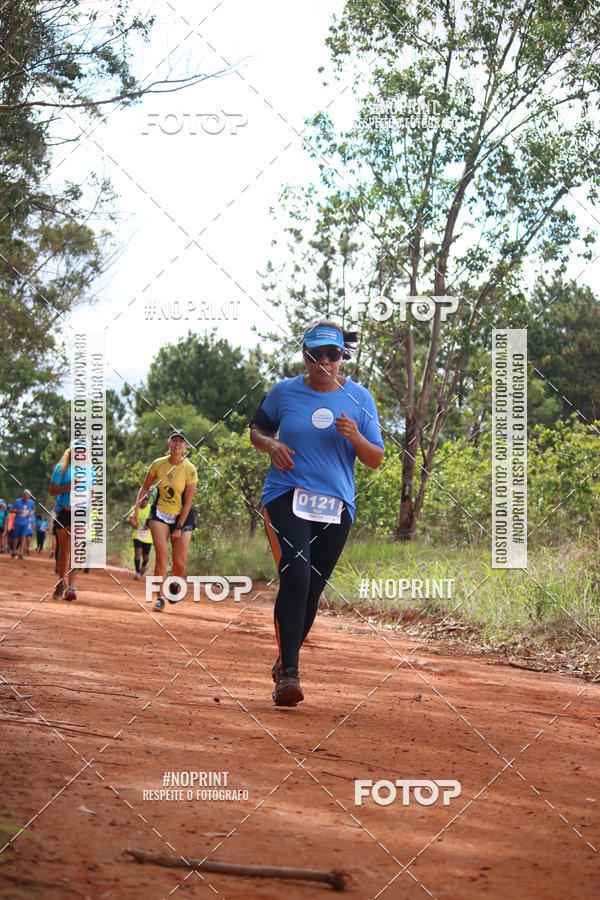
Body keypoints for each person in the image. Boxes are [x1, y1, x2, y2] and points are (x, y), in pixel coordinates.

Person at [250, 320, 384, 707]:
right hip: (285, 495)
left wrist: (355, 437)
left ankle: (283, 659)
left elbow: (375, 458)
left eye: (332, 354)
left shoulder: (360, 399)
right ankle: (289, 675)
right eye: (315, 353)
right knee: (296, 575)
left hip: (336, 505)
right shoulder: (284, 392)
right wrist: (270, 445)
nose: (324, 361)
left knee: (312, 588)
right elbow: (256, 430)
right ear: (304, 354)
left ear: (343, 356)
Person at [134, 431, 198, 611]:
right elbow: (145, 487)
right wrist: (135, 509)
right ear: (169, 443)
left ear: (185, 446)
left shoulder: (190, 469)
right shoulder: (158, 464)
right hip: (160, 513)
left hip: (182, 517)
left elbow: (189, 501)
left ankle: (175, 585)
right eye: (174, 440)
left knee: (179, 563)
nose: (178, 443)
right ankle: (159, 598)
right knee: (161, 556)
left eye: (181, 441)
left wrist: (178, 527)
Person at [49, 446, 78, 601]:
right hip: (63, 512)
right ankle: (62, 582)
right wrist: (69, 486)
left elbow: (93, 492)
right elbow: (52, 491)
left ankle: (72, 587)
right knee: (64, 549)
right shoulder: (61, 469)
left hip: (80, 513)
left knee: (77, 549)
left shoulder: (89, 470)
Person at [128, 494, 153, 580]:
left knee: (146, 557)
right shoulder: (135, 508)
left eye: (146, 499)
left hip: (148, 537)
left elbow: (155, 519)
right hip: (137, 535)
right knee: (138, 552)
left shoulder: (151, 508)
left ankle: (143, 566)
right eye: (143, 499)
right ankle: (138, 572)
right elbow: (130, 519)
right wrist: (133, 524)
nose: (144, 501)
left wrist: (149, 525)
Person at [11, 490, 36, 559]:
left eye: (27, 496)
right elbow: (11, 510)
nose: (26, 498)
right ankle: (14, 551)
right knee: (16, 538)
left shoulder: (31, 502)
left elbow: (34, 510)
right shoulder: (17, 501)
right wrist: (17, 511)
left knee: (23, 537)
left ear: (29, 497)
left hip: (26, 523)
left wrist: (31, 513)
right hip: (17, 522)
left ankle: (21, 552)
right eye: (25, 496)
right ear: (23, 496)